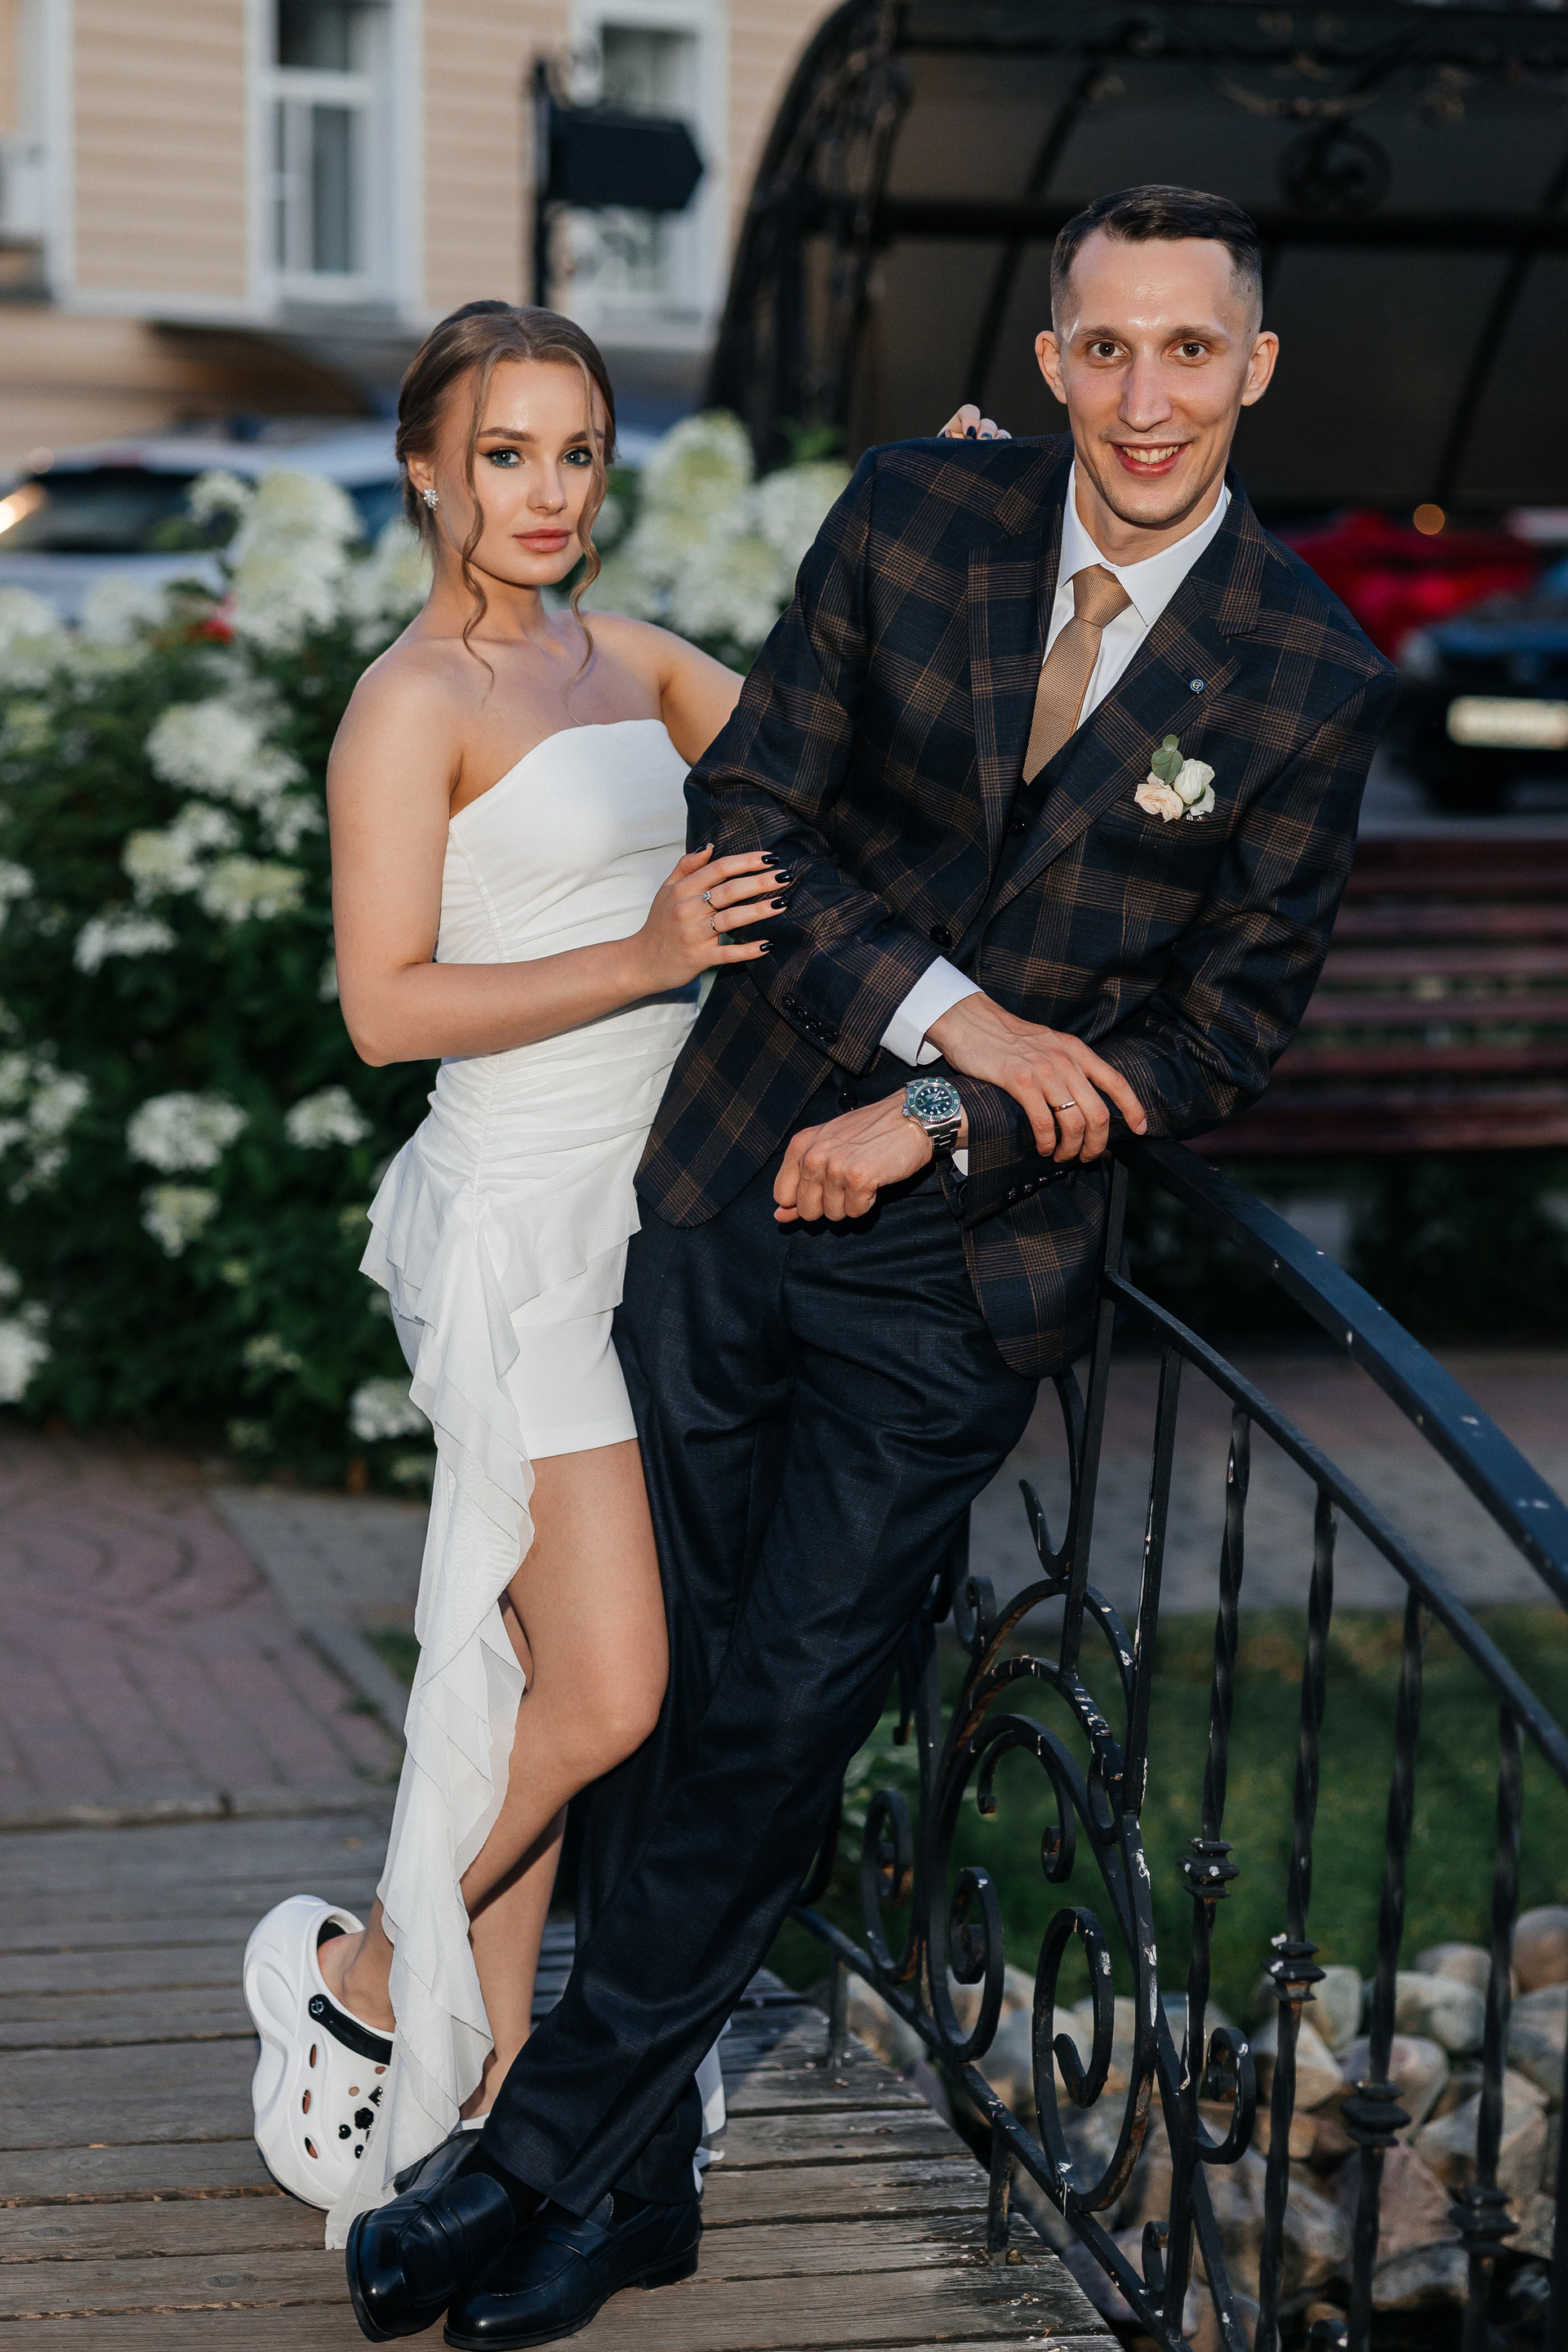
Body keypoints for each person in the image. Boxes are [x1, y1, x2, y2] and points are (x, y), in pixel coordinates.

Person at [341, 184, 1397, 2349]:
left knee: (786, 1709)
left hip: (966, 1274)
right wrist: (953, 1016)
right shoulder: (918, 516)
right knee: (668, 1704)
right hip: (723, 1189)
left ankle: (532, 2162)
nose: (1148, 397)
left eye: (1192, 349)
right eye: (1107, 347)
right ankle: (628, 2193)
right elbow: (757, 814)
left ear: (1256, 368)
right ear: (1055, 359)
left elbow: (1224, 1035)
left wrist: (944, 1108)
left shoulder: (1306, 671)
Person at [239, 295, 993, 2248]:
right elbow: (384, 1008)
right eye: (506, 454)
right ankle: (365, 1977)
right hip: (517, 1224)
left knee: (544, 1673)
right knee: (611, 1692)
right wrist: (650, 956)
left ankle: (502, 2080)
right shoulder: (412, 703)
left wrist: (935, 525)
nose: (549, 491)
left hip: (657, 1221)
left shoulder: (632, 658)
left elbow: (845, 747)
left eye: (577, 452)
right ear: (427, 470)